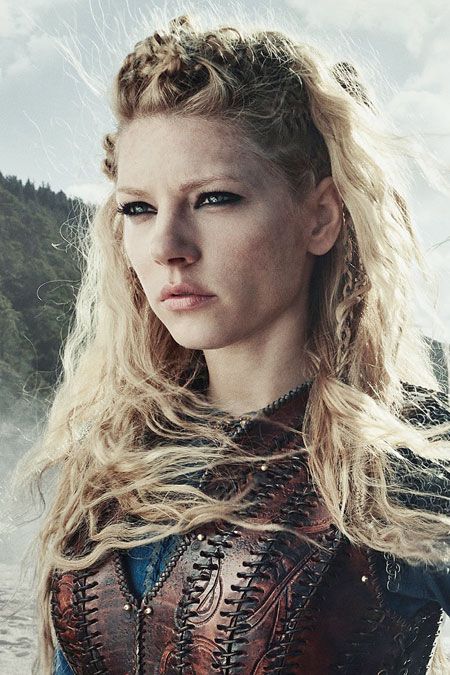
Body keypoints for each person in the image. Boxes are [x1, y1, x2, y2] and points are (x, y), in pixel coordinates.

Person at [22, 14, 450, 675]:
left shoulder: (406, 460)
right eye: (138, 208)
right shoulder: (112, 458)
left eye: (215, 199)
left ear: (320, 216)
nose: (168, 246)